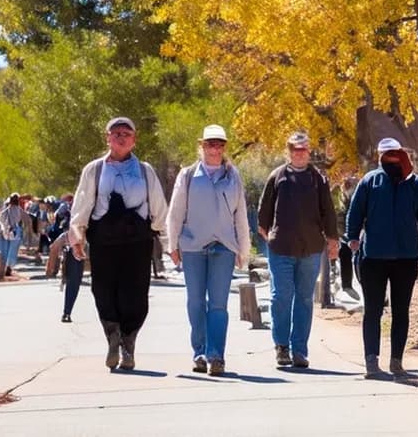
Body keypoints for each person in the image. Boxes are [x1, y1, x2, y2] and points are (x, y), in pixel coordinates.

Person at [69, 116, 168, 371]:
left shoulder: (145, 170)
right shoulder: (95, 169)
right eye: (116, 133)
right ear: (107, 138)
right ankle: (112, 336)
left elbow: (158, 206)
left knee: (135, 294)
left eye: (126, 133)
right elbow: (82, 203)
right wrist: (77, 235)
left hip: (137, 241)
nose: (121, 137)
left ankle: (129, 343)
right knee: (103, 291)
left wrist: (165, 238)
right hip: (104, 241)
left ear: (134, 140)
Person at [346, 137, 418, 379]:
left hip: (405, 259)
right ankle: (371, 363)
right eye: (386, 155)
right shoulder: (370, 182)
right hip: (373, 258)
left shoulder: (415, 185)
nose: (390, 159)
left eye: (394, 154)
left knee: (401, 311)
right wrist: (352, 237)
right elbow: (355, 212)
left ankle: (396, 363)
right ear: (380, 157)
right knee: (373, 310)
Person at [166, 124, 250, 376]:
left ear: (225, 147)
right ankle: (199, 352)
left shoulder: (232, 175)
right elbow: (176, 211)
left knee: (218, 304)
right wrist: (172, 245)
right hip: (192, 246)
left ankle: (216, 356)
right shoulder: (189, 175)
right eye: (210, 144)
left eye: (220, 144)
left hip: (223, 247)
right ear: (201, 145)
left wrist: (242, 250)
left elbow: (241, 215)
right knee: (194, 301)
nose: (215, 148)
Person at [258, 131, 338, 369]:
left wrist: (332, 241)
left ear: (309, 151)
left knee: (304, 299)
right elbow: (264, 214)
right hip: (281, 248)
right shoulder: (278, 177)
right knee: (281, 297)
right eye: (295, 149)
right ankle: (281, 346)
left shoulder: (318, 179)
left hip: (311, 249)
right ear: (289, 151)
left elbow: (328, 213)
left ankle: (299, 350)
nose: (299, 153)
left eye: (303, 149)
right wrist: (269, 235)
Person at [53, 194, 84, 323]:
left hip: (78, 247)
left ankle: (67, 312)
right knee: (73, 283)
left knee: (73, 283)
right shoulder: (76, 211)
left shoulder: (81, 209)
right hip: (76, 248)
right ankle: (67, 312)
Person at [337, 176, 360, 300]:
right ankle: (347, 285)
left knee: (358, 259)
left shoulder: (358, 194)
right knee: (345, 254)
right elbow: (342, 215)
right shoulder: (343, 198)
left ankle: (348, 285)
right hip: (347, 234)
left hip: (357, 233)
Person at [0, 194, 25, 275]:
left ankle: (3, 265)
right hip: (16, 230)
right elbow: (20, 219)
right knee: (13, 250)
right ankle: (9, 267)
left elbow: (1, 218)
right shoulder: (19, 209)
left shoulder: (6, 209)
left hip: (7, 230)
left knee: (5, 249)